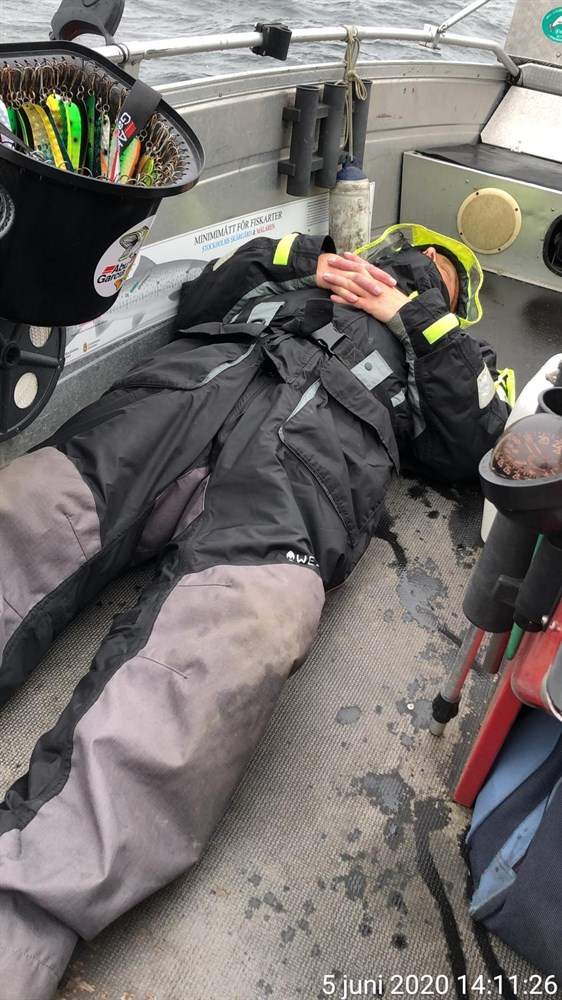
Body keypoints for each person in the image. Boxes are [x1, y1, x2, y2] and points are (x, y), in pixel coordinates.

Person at [0, 224, 509, 1000]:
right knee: (29, 510)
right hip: (181, 396)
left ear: (456, 301)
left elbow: (481, 442)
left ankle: (19, 921)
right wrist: (306, 260)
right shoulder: (299, 270)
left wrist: (414, 318)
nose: (421, 264)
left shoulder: (454, 350)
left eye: (443, 270)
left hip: (307, 470)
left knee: (236, 642)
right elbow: (199, 297)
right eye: (413, 252)